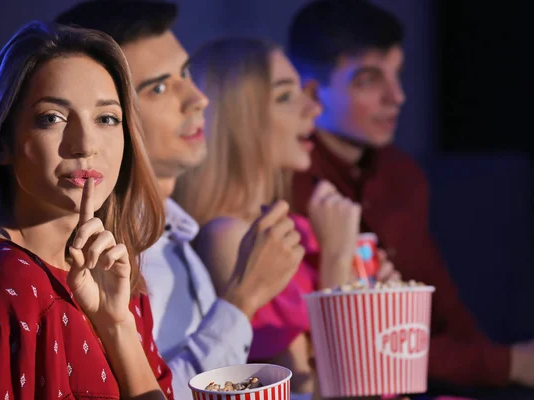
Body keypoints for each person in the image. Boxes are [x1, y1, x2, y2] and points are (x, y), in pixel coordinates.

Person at [55, 2, 304, 399]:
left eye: (186, 74)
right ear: (108, 119)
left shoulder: (175, 229)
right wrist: (242, 298)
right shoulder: (108, 255)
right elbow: (161, 391)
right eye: (158, 88)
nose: (198, 99)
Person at [288, 0, 534, 394]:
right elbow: (343, 347)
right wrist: (506, 364)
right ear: (313, 92)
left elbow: (443, 309)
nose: (398, 96)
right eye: (369, 80)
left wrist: (503, 367)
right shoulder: (288, 185)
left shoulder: (402, 175)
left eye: (398, 75)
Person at [0, 21, 173, 399]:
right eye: (52, 118)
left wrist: (117, 326)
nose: (85, 144)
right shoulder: (5, 285)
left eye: (106, 118)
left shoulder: (115, 274)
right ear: (1, 143)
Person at [172, 38, 400, 397]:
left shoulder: (301, 228)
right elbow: (322, 391)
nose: (313, 108)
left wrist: (375, 303)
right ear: (237, 121)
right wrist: (337, 263)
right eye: (285, 96)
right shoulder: (231, 239)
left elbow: (371, 372)